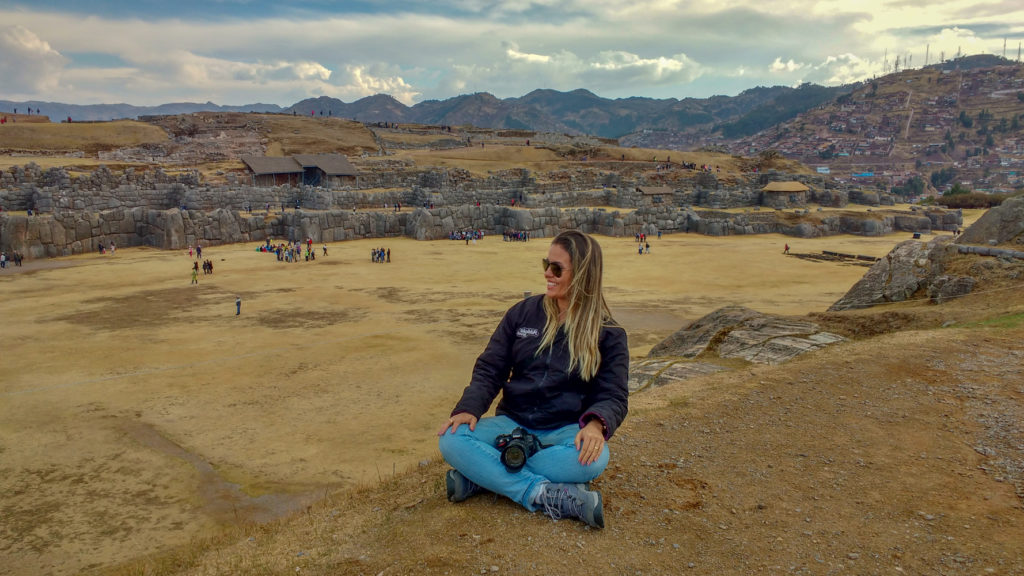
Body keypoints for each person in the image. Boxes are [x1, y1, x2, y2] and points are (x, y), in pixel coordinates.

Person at [437, 230, 629, 529]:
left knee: (597, 457)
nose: (547, 274)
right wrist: (468, 408)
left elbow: (613, 394)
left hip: (565, 430)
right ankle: (542, 493)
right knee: (451, 439)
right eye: (546, 264)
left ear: (583, 274)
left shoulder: (609, 334)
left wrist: (595, 424)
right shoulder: (522, 314)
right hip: (512, 424)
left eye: (557, 268)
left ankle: (484, 479)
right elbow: (491, 368)